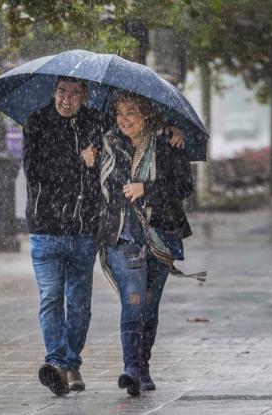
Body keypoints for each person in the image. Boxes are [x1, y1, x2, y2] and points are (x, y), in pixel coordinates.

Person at [96, 91, 203, 396]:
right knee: (133, 297)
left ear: (146, 115)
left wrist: (148, 189)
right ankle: (129, 367)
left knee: (150, 306)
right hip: (123, 234)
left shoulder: (169, 143)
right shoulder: (107, 142)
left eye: (130, 112)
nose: (123, 119)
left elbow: (184, 186)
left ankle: (142, 365)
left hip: (161, 235)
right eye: (118, 113)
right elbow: (100, 187)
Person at [22, 76, 109, 396]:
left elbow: (131, 135)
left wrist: (171, 129)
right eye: (62, 92)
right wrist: (80, 161)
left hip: (84, 230)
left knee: (80, 305)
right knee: (51, 296)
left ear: (85, 96)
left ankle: (71, 362)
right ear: (53, 92)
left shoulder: (98, 121)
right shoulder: (37, 123)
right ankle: (57, 362)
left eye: (74, 93)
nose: (66, 99)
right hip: (45, 228)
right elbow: (36, 172)